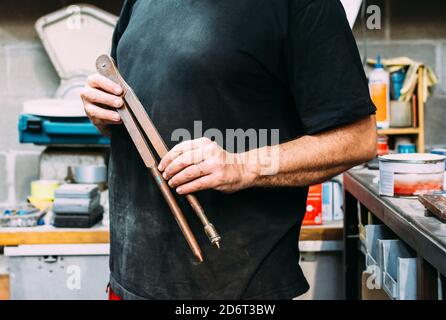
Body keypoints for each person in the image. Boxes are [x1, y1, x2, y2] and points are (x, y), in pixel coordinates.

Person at [81, 0, 377, 300]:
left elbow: (357, 139)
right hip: (130, 280)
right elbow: (136, 105)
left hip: (235, 288)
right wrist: (103, 113)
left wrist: (242, 167)